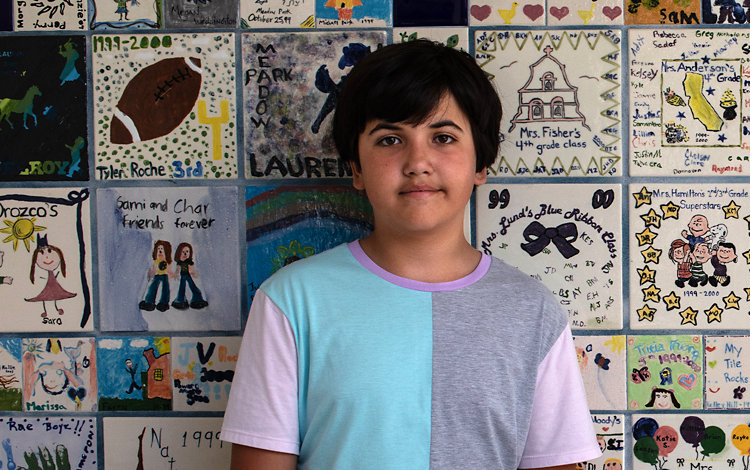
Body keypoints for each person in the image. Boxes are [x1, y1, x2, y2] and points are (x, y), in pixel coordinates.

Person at [220, 40, 601, 470]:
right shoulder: (290, 302)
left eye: (442, 137)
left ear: (481, 163)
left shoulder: (533, 311)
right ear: (357, 169)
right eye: (389, 139)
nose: (417, 162)